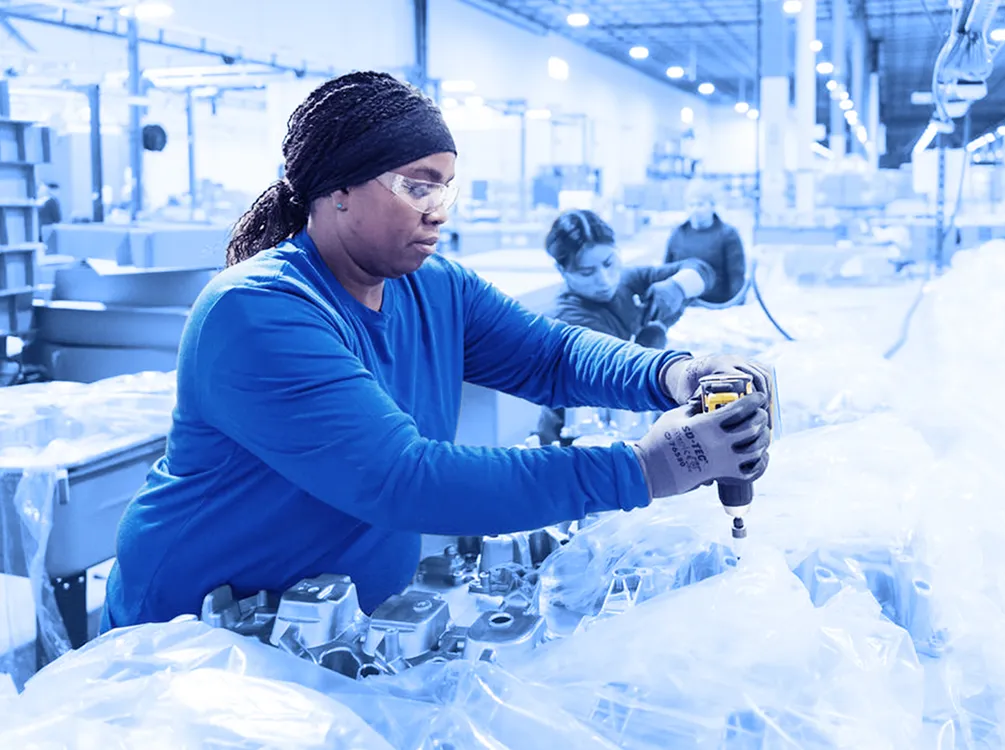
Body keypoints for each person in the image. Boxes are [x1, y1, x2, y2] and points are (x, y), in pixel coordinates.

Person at [101, 71, 773, 630]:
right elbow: (401, 478)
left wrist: (674, 372)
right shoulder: (258, 312)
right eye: (416, 186)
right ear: (335, 190)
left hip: (330, 622)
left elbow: (552, 356)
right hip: (196, 637)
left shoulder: (431, 287)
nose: (438, 210)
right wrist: (645, 469)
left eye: (444, 187)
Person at [535, 209, 716, 444]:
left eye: (609, 263)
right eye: (587, 272)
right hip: (579, 439)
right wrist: (652, 339)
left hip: (629, 425)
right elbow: (621, 377)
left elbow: (703, 269)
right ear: (562, 271)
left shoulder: (626, 281)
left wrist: (678, 286)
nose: (604, 279)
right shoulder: (566, 317)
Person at [664, 180, 747, 306]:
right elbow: (665, 271)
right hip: (683, 306)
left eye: (700, 204)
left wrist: (735, 307)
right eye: (691, 205)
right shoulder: (678, 234)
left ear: (712, 206)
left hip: (717, 307)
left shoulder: (728, 235)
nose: (695, 210)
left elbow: (736, 277)